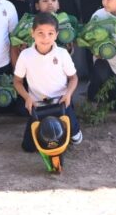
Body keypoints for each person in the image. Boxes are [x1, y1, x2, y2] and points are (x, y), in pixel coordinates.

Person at [14, 13, 83, 151]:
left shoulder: (62, 54)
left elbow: (73, 78)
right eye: (40, 33)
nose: (45, 38)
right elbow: (17, 81)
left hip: (61, 102)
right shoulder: (25, 55)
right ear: (32, 33)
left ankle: (71, 130)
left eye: (50, 33)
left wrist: (68, 94)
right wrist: (27, 98)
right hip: (38, 105)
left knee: (76, 139)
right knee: (29, 147)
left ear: (56, 35)